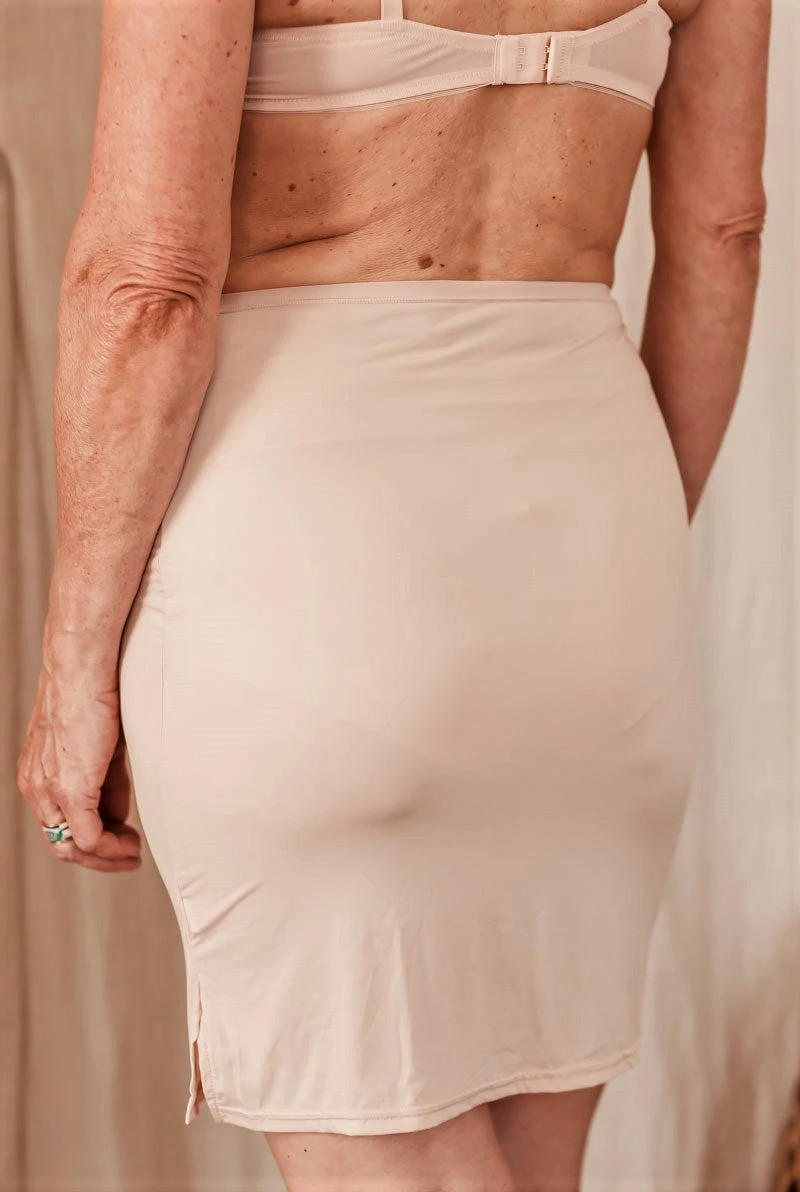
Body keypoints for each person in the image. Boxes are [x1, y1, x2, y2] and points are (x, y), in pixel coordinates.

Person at [16, 1, 769, 1189]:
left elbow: (150, 285)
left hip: (311, 561)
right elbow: (722, 232)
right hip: (595, 555)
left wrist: (73, 666)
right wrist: (613, 572)